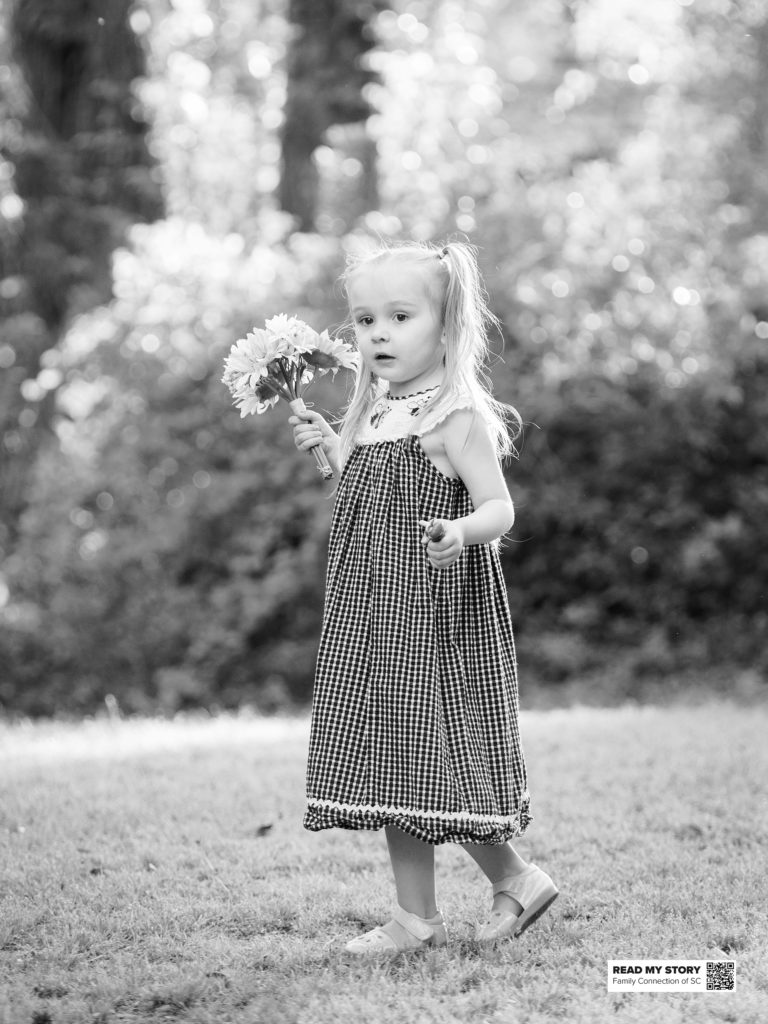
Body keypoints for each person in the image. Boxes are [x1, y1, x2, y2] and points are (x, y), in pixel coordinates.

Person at [290, 241, 558, 955]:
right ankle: (418, 916)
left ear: (445, 325)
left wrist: (460, 531)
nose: (376, 333)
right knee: (391, 756)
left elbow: (500, 509)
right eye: (364, 319)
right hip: (374, 612)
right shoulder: (377, 411)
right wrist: (331, 452)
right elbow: (371, 497)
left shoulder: (454, 416)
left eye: (399, 316)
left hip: (433, 617)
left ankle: (515, 879)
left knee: (429, 752)